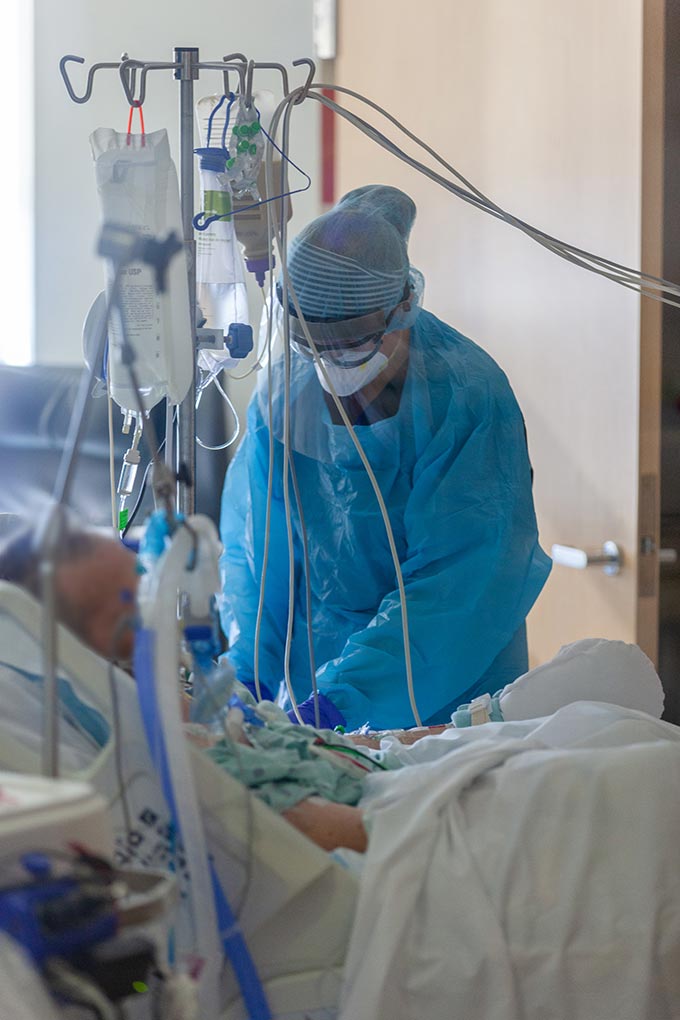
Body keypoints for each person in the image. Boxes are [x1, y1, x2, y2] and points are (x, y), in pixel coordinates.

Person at [219, 184, 552, 732]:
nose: (333, 367)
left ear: (404, 306)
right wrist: (247, 675)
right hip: (311, 696)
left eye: (352, 345)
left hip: (446, 699)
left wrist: (344, 698)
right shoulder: (286, 398)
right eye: (315, 347)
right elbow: (259, 557)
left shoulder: (465, 398)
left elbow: (459, 585)